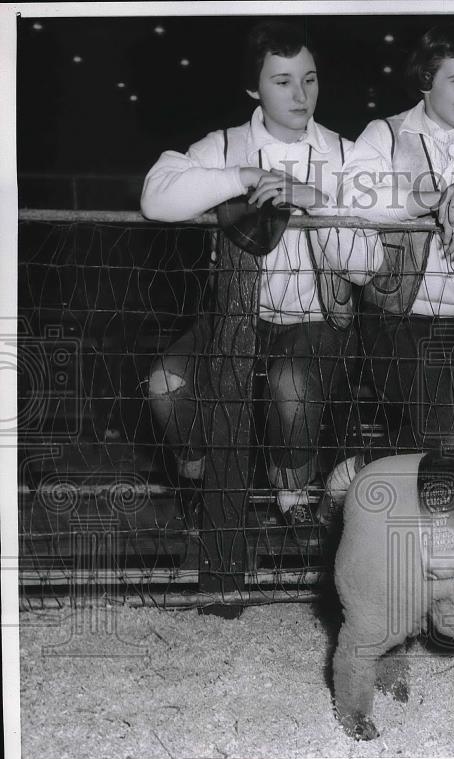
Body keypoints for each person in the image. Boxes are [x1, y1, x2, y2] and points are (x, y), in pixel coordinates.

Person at [141, 20, 373, 536]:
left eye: (309, 79)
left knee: (290, 383)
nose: (300, 94)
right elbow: (155, 197)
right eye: (282, 81)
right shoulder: (224, 146)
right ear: (254, 87)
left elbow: (366, 265)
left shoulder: (347, 153)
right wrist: (243, 177)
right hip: (233, 318)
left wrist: (317, 204)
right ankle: (204, 484)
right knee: (166, 383)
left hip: (316, 321)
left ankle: (292, 495)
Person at [341, 24, 454, 452]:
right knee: (451, 428)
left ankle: (364, 472)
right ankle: (367, 477)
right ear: (426, 81)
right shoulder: (383, 134)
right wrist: (436, 197)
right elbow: (355, 198)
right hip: (396, 319)